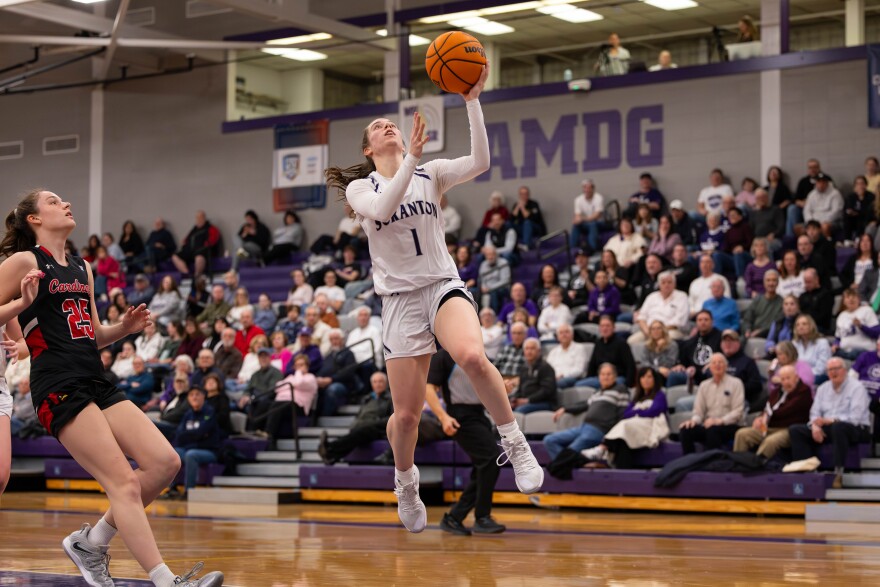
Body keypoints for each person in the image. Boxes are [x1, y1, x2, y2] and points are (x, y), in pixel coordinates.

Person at [323, 64, 542, 532]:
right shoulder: (364, 188)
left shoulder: (430, 172)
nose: (389, 127)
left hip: (442, 284)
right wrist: (409, 161)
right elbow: (382, 210)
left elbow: (480, 162)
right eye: (379, 127)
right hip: (399, 301)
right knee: (404, 416)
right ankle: (405, 480)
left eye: (392, 124)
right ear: (369, 148)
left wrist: (471, 101)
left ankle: (514, 441)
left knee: (471, 356)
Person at [0, 191, 222, 586]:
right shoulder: (25, 262)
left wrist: (124, 329)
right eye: (53, 201)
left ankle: (92, 542)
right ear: (34, 219)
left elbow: (94, 334)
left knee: (164, 463)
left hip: (94, 377)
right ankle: (167, 581)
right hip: (57, 384)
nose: (65, 203)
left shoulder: (82, 267)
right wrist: (21, 305)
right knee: (122, 483)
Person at [426, 349, 506, 535]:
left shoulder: (478, 352)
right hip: (459, 416)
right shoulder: (444, 356)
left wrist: (503, 387)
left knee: (485, 465)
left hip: (479, 415)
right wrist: (443, 417)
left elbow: (483, 385)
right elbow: (428, 388)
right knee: (491, 459)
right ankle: (482, 517)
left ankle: (454, 518)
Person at [789, 357, 871, 488]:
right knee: (796, 430)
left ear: (844, 370)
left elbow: (855, 417)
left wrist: (832, 420)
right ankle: (805, 472)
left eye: (836, 369)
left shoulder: (857, 387)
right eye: (830, 370)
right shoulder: (822, 388)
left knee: (838, 427)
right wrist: (815, 426)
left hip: (856, 429)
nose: (833, 372)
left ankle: (838, 474)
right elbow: (814, 413)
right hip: (828, 427)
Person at [581, 367, 669, 468]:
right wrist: (640, 411)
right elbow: (626, 414)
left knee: (624, 425)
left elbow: (655, 411)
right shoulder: (636, 397)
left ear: (654, 379)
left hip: (650, 426)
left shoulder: (659, 395)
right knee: (622, 440)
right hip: (634, 426)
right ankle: (619, 470)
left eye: (649, 377)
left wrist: (637, 412)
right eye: (643, 377)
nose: (646, 380)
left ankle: (603, 447)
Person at [544, 363, 629, 459]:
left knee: (569, 452)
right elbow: (584, 404)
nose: (605, 377)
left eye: (609, 374)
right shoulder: (598, 392)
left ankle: (563, 466)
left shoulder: (621, 390)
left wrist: (609, 438)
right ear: (599, 377)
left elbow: (622, 414)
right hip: (583, 427)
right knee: (549, 440)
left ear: (615, 376)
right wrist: (565, 409)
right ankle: (567, 467)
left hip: (599, 430)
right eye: (603, 374)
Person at [734, 365, 811, 459]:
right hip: (769, 427)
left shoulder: (804, 391)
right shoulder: (777, 391)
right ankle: (738, 463)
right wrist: (761, 418)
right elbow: (767, 407)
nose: (786, 382)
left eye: (788, 378)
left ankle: (756, 464)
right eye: (783, 379)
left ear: (796, 377)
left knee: (770, 441)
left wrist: (767, 416)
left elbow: (786, 410)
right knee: (742, 434)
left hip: (789, 429)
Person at [318, 371, 394, 465]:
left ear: (386, 384)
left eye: (380, 382)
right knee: (356, 433)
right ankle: (331, 455)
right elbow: (359, 415)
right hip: (362, 427)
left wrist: (373, 422)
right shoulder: (367, 399)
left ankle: (329, 448)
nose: (377, 384)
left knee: (359, 433)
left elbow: (392, 419)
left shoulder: (391, 399)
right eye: (375, 382)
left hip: (378, 429)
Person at [162, 385, 222, 500]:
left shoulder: (209, 412)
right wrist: (194, 434)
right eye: (191, 395)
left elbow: (202, 432)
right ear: (188, 398)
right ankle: (172, 489)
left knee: (191, 455)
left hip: (209, 451)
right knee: (173, 453)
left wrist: (190, 435)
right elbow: (180, 434)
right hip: (189, 448)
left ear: (203, 397)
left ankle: (189, 492)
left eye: (197, 394)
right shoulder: (188, 414)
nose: (194, 397)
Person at [679, 353, 745, 454]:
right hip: (709, 425)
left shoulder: (736, 383)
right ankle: (690, 461)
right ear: (709, 367)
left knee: (713, 430)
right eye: (714, 363)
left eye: (720, 362)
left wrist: (719, 421)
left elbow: (738, 412)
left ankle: (711, 463)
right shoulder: (704, 385)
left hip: (730, 425)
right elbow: (698, 411)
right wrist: (693, 421)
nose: (717, 365)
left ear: (726, 366)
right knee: (686, 429)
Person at [629, 271, 689, 344]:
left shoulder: (682, 296)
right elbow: (641, 317)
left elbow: (680, 321)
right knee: (631, 341)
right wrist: (648, 331)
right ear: (659, 285)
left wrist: (659, 330)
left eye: (669, 282)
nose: (666, 285)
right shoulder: (651, 297)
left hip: (670, 331)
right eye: (663, 282)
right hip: (649, 331)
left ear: (674, 284)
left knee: (667, 340)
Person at [505, 338, 557, 414]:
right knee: (504, 409)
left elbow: (547, 391)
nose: (529, 351)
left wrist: (528, 400)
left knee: (519, 411)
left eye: (532, 348)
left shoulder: (546, 367)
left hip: (545, 402)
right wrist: (514, 399)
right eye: (527, 349)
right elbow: (520, 390)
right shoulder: (524, 368)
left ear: (539, 351)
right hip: (527, 401)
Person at [582, 315, 635, 388]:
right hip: (600, 377)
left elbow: (630, 367)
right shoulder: (598, 343)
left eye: (607, 326)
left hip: (617, 377)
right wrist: (588, 379)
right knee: (580, 385)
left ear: (613, 328)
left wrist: (627, 385)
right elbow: (592, 365)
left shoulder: (622, 343)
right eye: (602, 326)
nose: (605, 328)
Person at [170, 210, 222, 277]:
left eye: (200, 218)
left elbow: (213, 240)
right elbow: (186, 240)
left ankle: (197, 276)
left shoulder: (211, 228)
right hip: (191, 252)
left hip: (203, 252)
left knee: (199, 257)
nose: (198, 220)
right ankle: (187, 274)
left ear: (204, 218)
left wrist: (205, 246)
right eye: (197, 218)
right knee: (175, 256)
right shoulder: (194, 229)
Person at [833, 288, 878, 359]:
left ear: (859, 299)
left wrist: (861, 326)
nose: (851, 299)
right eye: (848, 297)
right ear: (844, 301)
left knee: (853, 354)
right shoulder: (841, 315)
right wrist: (835, 344)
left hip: (863, 351)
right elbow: (838, 337)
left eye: (854, 296)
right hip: (844, 351)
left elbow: (877, 333)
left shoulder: (867, 310)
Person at [639, 321, 682, 387]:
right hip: (652, 373)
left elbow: (669, 364)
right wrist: (657, 369)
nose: (656, 331)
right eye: (653, 329)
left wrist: (661, 350)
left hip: (666, 374)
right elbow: (644, 363)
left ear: (663, 330)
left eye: (658, 328)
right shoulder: (647, 346)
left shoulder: (672, 345)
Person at [742, 270, 783, 339]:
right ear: (764, 283)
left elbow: (777, 324)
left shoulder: (782, 302)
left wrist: (760, 332)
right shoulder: (757, 300)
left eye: (774, 280)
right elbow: (747, 319)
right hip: (751, 334)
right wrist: (747, 330)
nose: (771, 283)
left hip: (770, 336)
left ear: (778, 283)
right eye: (768, 280)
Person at [546, 324, 589, 389]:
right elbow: (547, 369)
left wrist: (562, 375)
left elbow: (579, 370)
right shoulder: (553, 352)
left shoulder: (579, 348)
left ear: (572, 335)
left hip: (572, 378)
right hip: (554, 378)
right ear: (557, 337)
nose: (564, 335)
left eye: (567, 332)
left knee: (557, 384)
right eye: (561, 333)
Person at [792, 314, 832, 385]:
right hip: (798, 375)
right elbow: (791, 363)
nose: (800, 327)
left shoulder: (822, 342)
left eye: (804, 324)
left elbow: (821, 368)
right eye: (797, 325)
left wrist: (803, 375)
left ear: (811, 326)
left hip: (819, 376)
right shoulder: (795, 343)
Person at [570, 179, 605, 252]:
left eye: (589, 188)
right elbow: (577, 216)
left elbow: (596, 216)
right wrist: (577, 220)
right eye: (585, 188)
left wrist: (582, 219)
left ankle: (592, 249)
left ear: (593, 189)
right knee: (576, 225)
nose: (587, 190)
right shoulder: (578, 199)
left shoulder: (598, 197)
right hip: (586, 223)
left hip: (599, 222)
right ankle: (573, 249)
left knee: (592, 224)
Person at [798, 268, 833, 335]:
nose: (807, 285)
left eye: (809, 282)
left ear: (817, 279)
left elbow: (824, 316)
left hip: (819, 327)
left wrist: (807, 322)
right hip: (803, 326)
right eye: (805, 282)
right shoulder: (802, 296)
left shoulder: (825, 295)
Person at [478, 244, 511, 314]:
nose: (490, 257)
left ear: (496, 254)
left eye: (492, 254)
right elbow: (482, 279)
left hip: (501, 288)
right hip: (487, 288)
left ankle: (495, 314)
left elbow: (505, 281)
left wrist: (490, 288)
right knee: (474, 291)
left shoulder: (503, 263)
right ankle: (478, 315)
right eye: (488, 255)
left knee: (493, 292)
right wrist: (483, 287)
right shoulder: (483, 264)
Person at [844, 175, 876, 241]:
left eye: (862, 183)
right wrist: (850, 212)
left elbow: (869, 211)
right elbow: (847, 208)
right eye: (858, 184)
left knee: (861, 218)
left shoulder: (871, 196)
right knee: (847, 218)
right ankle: (847, 239)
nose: (860, 186)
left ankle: (859, 238)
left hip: (866, 219)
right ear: (855, 186)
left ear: (866, 185)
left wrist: (861, 199)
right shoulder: (851, 196)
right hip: (853, 218)